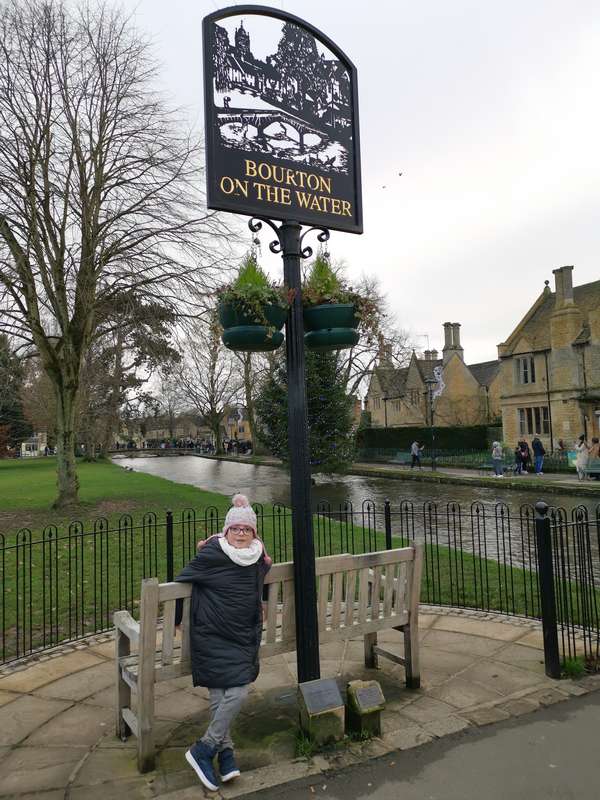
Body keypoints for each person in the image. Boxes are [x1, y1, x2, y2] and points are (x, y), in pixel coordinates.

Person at [175, 494, 271, 791]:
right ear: (225, 531)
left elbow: (263, 570)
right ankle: (214, 750)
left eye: (247, 529)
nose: (241, 534)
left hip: (241, 636)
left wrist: (264, 601)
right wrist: (178, 619)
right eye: (235, 529)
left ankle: (217, 752)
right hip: (212, 634)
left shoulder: (256, 556)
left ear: (254, 534)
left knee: (226, 693)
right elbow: (182, 580)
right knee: (234, 691)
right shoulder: (214, 553)